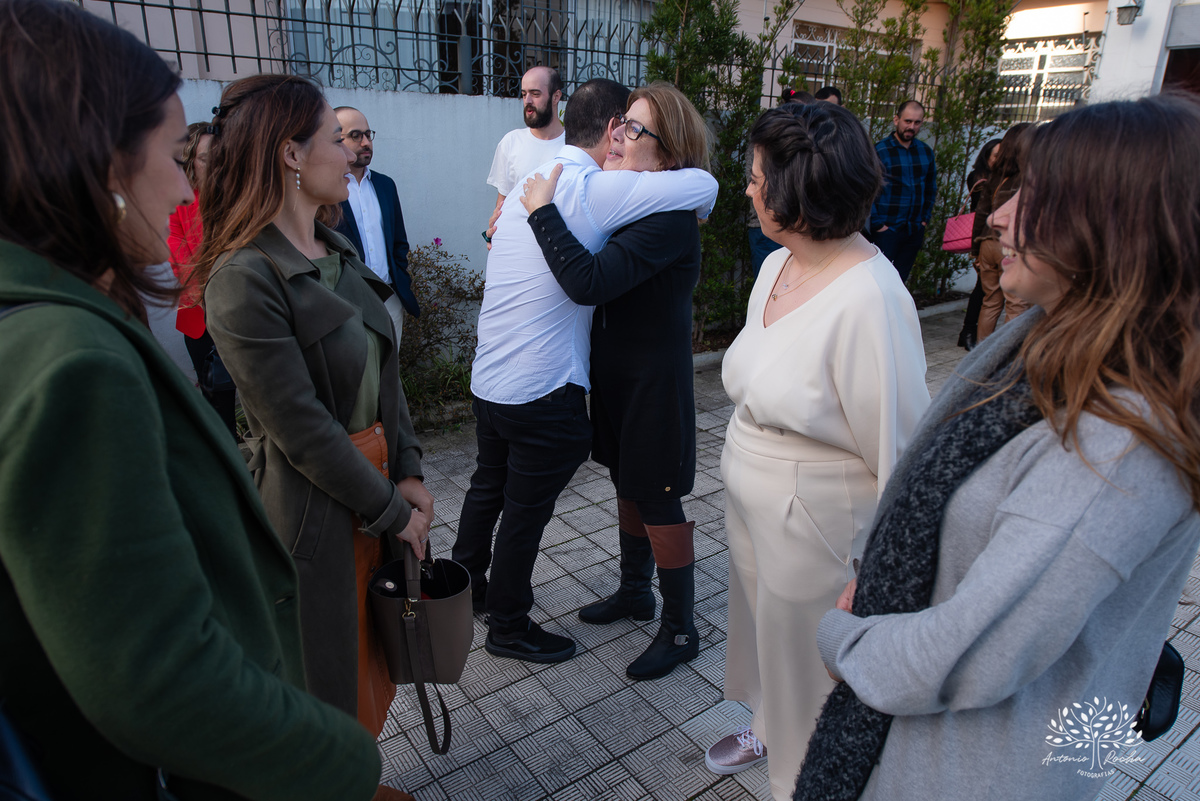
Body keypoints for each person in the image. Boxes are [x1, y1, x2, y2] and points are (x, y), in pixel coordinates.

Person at [0, 0, 382, 798]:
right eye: (175, 155)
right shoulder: (71, 361)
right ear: (102, 163)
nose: (186, 186)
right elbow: (157, 673)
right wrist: (346, 763)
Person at [797, 93, 1200, 801]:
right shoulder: (1056, 335)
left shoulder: (1124, 436)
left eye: (1037, 197)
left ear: (1118, 228)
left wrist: (844, 639)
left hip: (984, 766)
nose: (1000, 215)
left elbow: (972, 652)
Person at [195, 74, 434, 801]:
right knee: (321, 678)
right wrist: (397, 510)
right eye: (338, 137)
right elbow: (300, 430)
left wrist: (414, 469)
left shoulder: (336, 247)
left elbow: (385, 373)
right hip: (314, 513)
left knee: (373, 661)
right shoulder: (242, 277)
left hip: (377, 482)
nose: (352, 151)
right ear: (291, 154)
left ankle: (355, 778)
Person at [703, 101, 931, 801]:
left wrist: (881, 572)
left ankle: (801, 781)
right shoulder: (778, 265)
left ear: (796, 192)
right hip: (755, 498)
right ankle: (768, 727)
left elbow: (902, 447)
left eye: (756, 177)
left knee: (808, 666)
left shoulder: (871, 296)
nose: (747, 188)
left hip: (816, 524)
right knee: (766, 636)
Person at [452, 79, 718, 665]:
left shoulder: (668, 215)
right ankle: (633, 591)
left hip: (652, 382)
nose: (620, 137)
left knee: (660, 496)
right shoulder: (626, 198)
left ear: (668, 151)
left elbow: (590, 281)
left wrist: (543, 211)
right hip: (614, 378)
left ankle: (679, 628)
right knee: (629, 483)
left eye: (636, 129)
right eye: (621, 125)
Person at [167, 121, 238, 436]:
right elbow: (180, 263)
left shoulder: (240, 198)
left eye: (222, 156)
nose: (217, 164)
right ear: (191, 162)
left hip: (245, 311)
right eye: (208, 158)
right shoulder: (177, 203)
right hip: (201, 319)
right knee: (217, 401)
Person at [334, 106, 420, 348]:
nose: (366, 142)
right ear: (335, 140)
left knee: (388, 378)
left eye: (368, 134)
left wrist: (399, 278)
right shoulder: (328, 189)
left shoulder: (384, 185)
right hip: (347, 303)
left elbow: (399, 242)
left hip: (389, 299)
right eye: (355, 135)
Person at [975, 122, 1032, 340]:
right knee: (1016, 304)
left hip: (987, 243)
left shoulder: (996, 174)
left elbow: (982, 213)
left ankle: (980, 353)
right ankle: (1006, 358)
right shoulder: (1029, 175)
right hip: (1011, 246)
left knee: (990, 301)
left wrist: (975, 250)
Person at [869, 99, 936, 283]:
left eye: (917, 122)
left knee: (900, 281)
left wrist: (924, 220)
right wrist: (878, 225)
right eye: (908, 121)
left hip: (913, 229)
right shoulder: (880, 151)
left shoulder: (925, 152)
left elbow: (930, 187)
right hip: (886, 230)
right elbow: (869, 190)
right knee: (879, 280)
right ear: (896, 119)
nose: (911, 127)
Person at [486, 66, 565, 220]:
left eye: (535, 94)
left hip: (557, 241)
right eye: (524, 94)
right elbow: (502, 205)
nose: (527, 101)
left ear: (556, 97)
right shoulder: (511, 142)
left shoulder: (574, 145)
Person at [955, 137, 1001, 351]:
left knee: (983, 289)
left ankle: (968, 332)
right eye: (995, 156)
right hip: (982, 239)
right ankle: (968, 332)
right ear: (987, 156)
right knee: (983, 290)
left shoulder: (1000, 178)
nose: (999, 160)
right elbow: (982, 211)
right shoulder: (981, 178)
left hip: (985, 240)